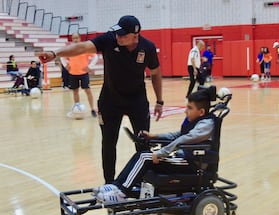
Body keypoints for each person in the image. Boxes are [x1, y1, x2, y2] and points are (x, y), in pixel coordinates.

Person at [36, 15, 163, 184]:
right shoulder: (109, 40)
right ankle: (109, 184)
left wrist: (159, 101)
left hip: (137, 101)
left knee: (142, 144)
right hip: (110, 101)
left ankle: (143, 183)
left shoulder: (147, 47)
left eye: (123, 34)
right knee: (109, 144)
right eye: (117, 33)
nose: (118, 36)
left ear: (135, 35)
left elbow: (155, 74)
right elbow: (82, 47)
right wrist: (55, 54)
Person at [93, 90, 216, 203]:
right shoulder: (197, 121)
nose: (185, 111)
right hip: (185, 158)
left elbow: (183, 140)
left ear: (201, 112)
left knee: (146, 157)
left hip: (194, 164)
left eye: (189, 108)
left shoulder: (206, 125)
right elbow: (178, 135)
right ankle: (116, 185)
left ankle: (122, 194)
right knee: (141, 154)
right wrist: (153, 136)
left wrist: (161, 153)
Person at [61, 32, 99, 117]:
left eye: (76, 38)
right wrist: (66, 65)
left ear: (79, 38)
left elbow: (95, 57)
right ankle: (77, 108)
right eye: (73, 38)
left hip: (83, 73)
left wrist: (90, 66)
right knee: (75, 91)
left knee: (88, 91)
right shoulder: (69, 49)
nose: (75, 40)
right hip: (73, 73)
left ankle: (92, 109)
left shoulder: (84, 49)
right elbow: (62, 56)